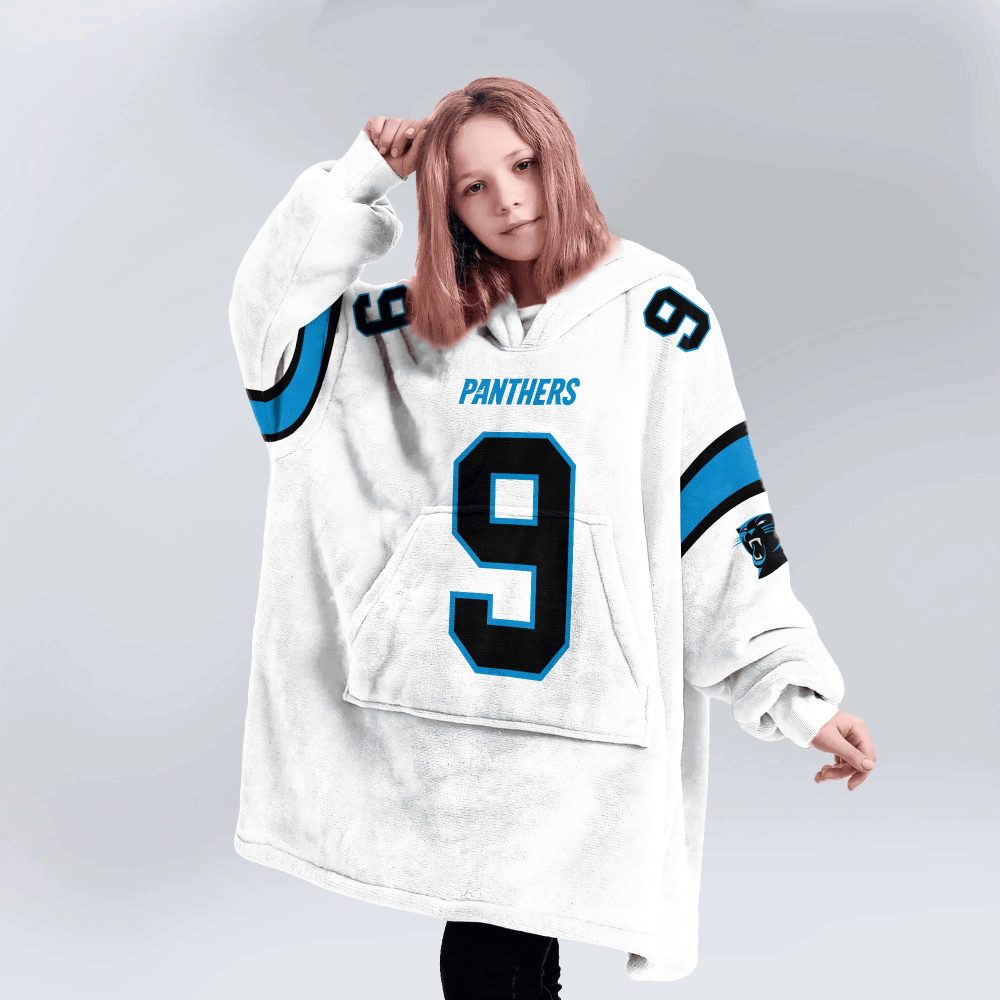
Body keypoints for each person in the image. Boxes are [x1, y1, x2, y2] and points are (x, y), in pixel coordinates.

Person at [227, 77, 877, 997]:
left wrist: (792, 689)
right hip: (457, 723)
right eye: (473, 186)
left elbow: (719, 511)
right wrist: (358, 179)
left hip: (588, 723)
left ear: (557, 157)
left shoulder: (659, 313)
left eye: (522, 165)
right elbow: (269, 333)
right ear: (447, 207)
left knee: (500, 961)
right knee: (497, 958)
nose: (508, 200)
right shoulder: (410, 328)